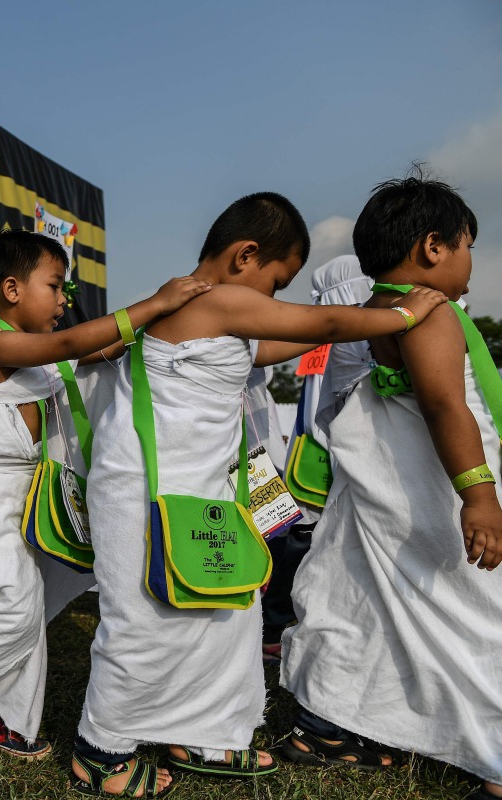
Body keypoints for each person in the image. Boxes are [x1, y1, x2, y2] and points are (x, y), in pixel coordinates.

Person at [71, 192, 447, 797]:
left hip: (198, 494)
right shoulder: (214, 299)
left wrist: (366, 308)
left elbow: (274, 343)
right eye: (276, 283)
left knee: (228, 612)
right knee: (142, 619)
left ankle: (203, 730)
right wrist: (400, 317)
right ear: (245, 256)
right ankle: (101, 747)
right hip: (142, 490)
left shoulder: (218, 315)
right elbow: (317, 324)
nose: (272, 299)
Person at [0, 230, 211, 760]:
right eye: (55, 286)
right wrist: (156, 302)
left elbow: (99, 349)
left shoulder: (43, 360)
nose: (65, 300)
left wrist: (171, 317)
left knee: (29, 603)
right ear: (11, 289)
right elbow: (68, 345)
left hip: (25, 493)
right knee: (11, 603)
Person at [281, 175, 501, 800]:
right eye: (467, 248)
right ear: (433, 247)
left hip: (390, 486)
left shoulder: (381, 308)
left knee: (363, 603)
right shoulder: (429, 312)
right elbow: (444, 406)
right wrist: (480, 496)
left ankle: (329, 724)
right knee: (477, 614)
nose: (469, 265)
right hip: (441, 490)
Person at [261, 254, 373, 663]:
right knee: (301, 547)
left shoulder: (335, 338)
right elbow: (315, 412)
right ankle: (275, 625)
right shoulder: (328, 341)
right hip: (320, 458)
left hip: (327, 454)